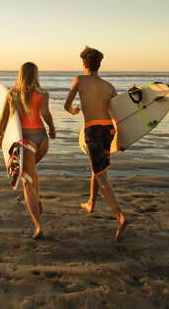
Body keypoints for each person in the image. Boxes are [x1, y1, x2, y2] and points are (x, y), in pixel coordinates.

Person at [63, 46, 127, 242]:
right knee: (96, 166)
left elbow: (67, 105)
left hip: (93, 131)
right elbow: (118, 114)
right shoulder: (109, 86)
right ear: (99, 64)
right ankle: (91, 203)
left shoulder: (79, 80)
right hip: (108, 131)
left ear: (84, 64)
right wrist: (122, 139)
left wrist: (74, 111)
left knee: (102, 176)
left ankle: (120, 217)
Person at [0, 62, 56, 239]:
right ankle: (36, 200)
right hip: (42, 141)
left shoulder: (12, 94)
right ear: (35, 75)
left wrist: (0, 138)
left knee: (26, 181)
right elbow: (45, 113)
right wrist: (52, 129)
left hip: (26, 142)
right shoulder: (43, 93)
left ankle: (38, 226)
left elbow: (3, 119)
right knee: (30, 172)